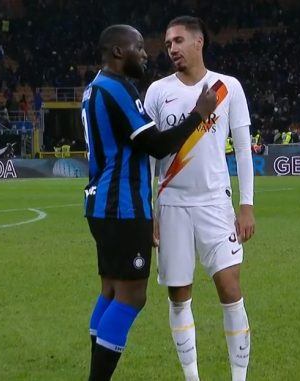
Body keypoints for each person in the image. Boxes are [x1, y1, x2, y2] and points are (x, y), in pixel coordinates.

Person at [82, 24, 217, 381]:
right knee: (131, 297)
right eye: (138, 47)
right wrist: (199, 114)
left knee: (112, 292)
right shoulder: (116, 88)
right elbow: (157, 144)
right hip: (123, 205)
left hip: (101, 205)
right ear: (117, 52)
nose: (145, 53)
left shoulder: (93, 88)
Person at [144, 16, 254, 381]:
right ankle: (192, 378)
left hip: (215, 205)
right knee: (179, 294)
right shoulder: (158, 91)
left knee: (230, 288)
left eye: (177, 40)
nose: (171, 48)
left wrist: (246, 205)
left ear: (198, 42)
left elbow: (242, 149)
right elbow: (149, 155)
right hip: (172, 203)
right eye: (167, 44)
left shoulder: (228, 88)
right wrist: (150, 210)